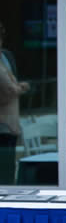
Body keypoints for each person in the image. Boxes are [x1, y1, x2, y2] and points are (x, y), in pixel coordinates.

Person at [0, 21, 29, 184]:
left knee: (8, 164)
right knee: (4, 165)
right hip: (3, 123)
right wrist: (19, 88)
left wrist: (17, 87)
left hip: (9, 123)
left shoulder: (5, 56)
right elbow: (8, 88)